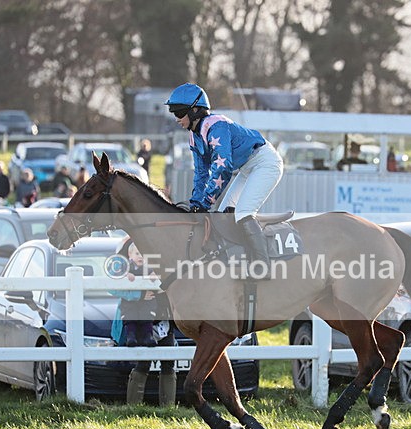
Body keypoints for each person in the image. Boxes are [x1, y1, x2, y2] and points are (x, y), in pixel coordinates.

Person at [165, 82, 283, 279]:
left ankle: (263, 266)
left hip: (265, 162)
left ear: (195, 111)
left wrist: (205, 202)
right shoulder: (194, 138)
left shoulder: (216, 125)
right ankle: (237, 259)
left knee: (244, 213)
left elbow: (223, 168)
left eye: (178, 113)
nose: (176, 119)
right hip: (247, 167)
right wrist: (196, 204)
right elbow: (201, 174)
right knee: (222, 215)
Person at [110, 239, 177, 406]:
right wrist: (139, 294)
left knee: (169, 361)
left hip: (163, 317)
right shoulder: (126, 251)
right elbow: (113, 286)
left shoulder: (159, 252)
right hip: (139, 319)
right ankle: (134, 407)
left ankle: (168, 407)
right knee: (143, 362)